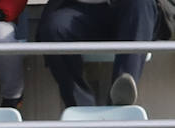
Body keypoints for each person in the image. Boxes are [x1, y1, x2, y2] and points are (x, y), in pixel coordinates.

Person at [36, 0, 173, 108]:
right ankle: (81, 110)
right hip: (78, 10)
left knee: (139, 4)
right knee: (54, 28)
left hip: (132, 8)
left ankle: (121, 98)